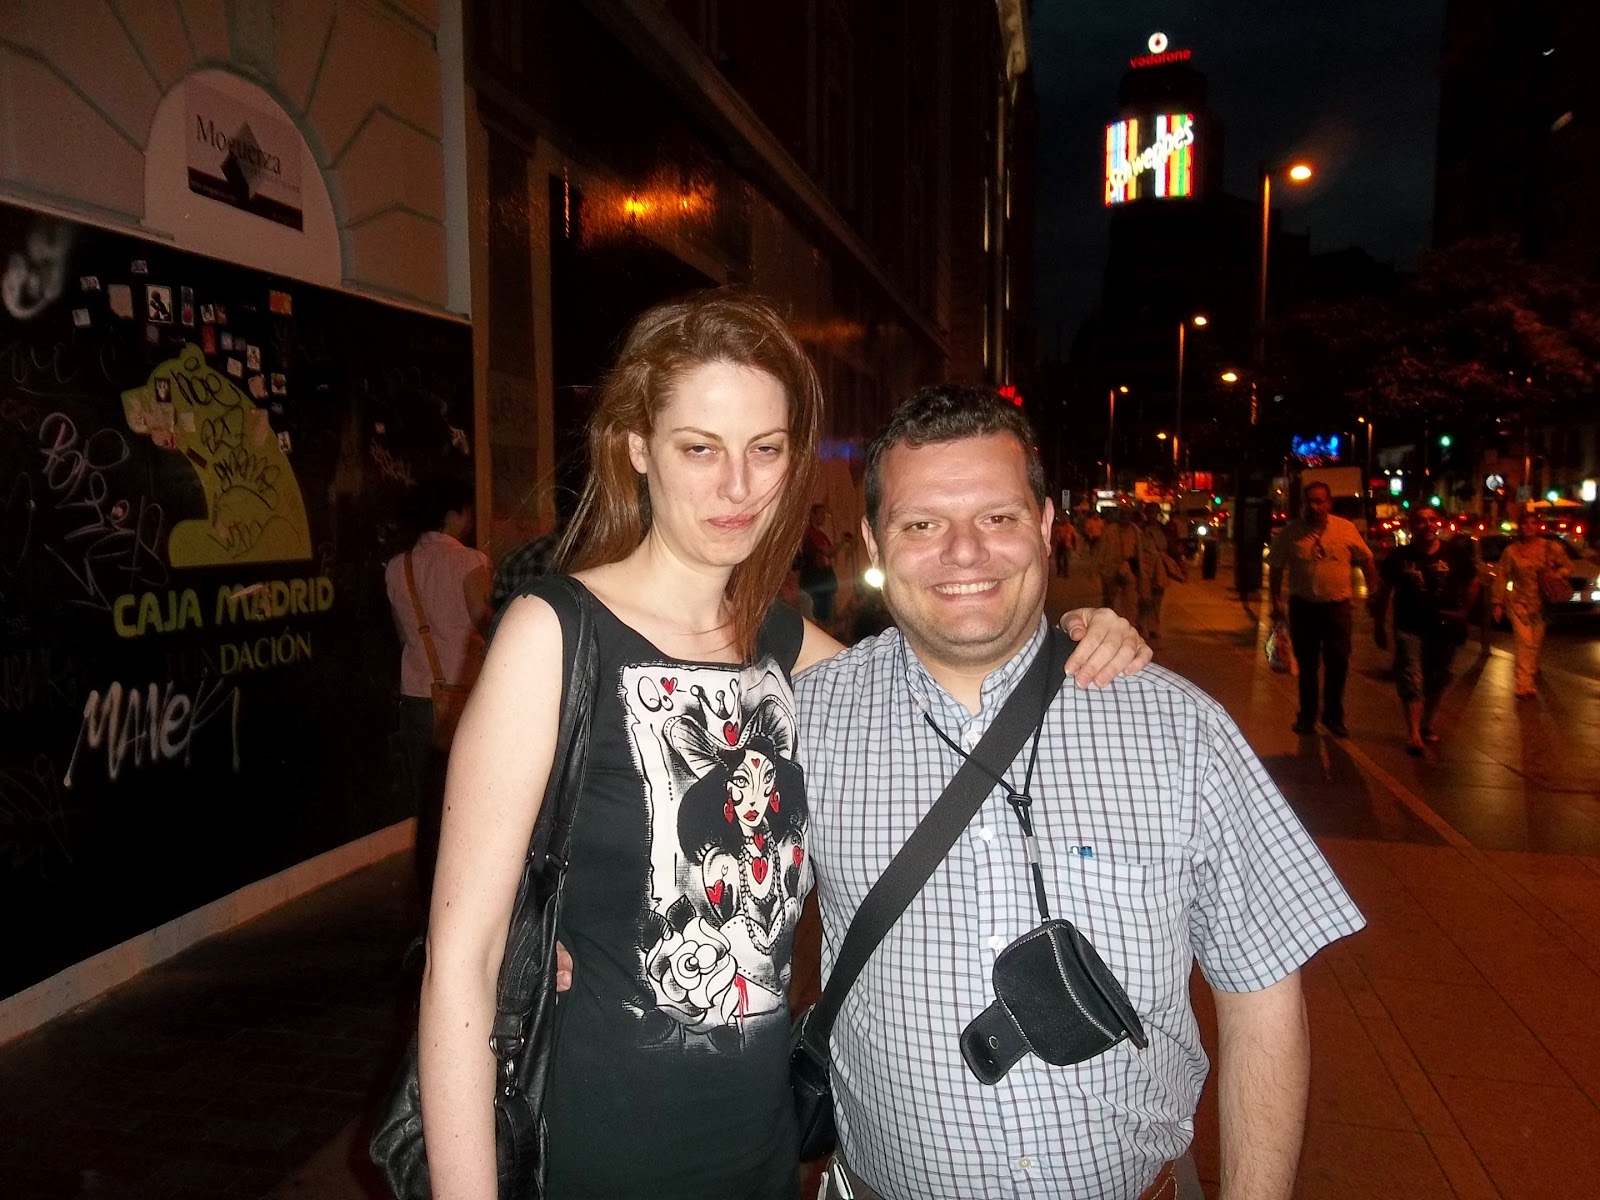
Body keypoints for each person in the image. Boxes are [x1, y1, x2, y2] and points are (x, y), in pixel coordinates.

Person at [417, 293, 1148, 1200]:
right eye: (700, 449)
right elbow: (462, 964)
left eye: (765, 450)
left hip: (763, 1146)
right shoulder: (557, 632)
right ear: (638, 447)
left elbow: (947, 673)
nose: (738, 487)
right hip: (599, 1143)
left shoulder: (781, 642)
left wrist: (1072, 631)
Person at [799, 385, 1365, 1200]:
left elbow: (1263, 998)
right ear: (872, 540)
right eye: (921, 525)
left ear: (1045, 525)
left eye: (996, 517)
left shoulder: (1179, 729)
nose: (964, 552)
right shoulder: (804, 724)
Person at [383, 476, 491, 905]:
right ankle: (465, 893)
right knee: (468, 798)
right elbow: (488, 625)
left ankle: (430, 891)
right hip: (461, 698)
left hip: (416, 694)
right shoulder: (470, 562)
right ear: (454, 513)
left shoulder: (398, 567)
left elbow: (402, 635)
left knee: (426, 802)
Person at [1268, 481, 1375, 737]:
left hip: (1337, 608)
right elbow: (1276, 566)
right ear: (1303, 504)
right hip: (1303, 607)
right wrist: (1276, 600)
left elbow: (1366, 558)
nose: (1314, 506)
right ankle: (1307, 715)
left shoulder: (1345, 528)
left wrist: (1374, 592)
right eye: (1310, 501)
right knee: (1307, 665)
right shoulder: (1291, 532)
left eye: (1319, 501)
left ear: (1329, 503)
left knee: (1338, 662)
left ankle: (1333, 716)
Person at [1369, 510, 1480, 754]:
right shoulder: (1399, 556)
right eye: (1421, 520)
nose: (1428, 525)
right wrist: (1378, 623)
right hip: (1409, 626)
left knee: (1439, 678)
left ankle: (1427, 724)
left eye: (1432, 520)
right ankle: (1414, 734)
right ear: (1412, 526)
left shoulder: (1455, 554)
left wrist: (1464, 611)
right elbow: (1385, 590)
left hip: (1445, 627)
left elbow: (1473, 580)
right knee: (1412, 678)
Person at [1493, 509, 1570, 698]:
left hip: (1542, 604)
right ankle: (1523, 684)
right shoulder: (1512, 551)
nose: (1529, 527)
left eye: (1533, 523)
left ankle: (1529, 677)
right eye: (1525, 523)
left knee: (1535, 644)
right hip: (1519, 603)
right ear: (1520, 526)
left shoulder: (1549, 547)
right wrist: (1498, 603)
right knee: (1524, 642)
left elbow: (1568, 566)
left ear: (1538, 526)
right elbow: (1501, 576)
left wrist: (1556, 574)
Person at [1138, 502, 1184, 640]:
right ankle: (1142, 625)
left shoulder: (1164, 529)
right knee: (1145, 597)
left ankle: (1153, 627)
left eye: (1154, 512)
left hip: (1160, 566)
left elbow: (1172, 546)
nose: (1152, 515)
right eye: (1150, 512)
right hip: (1145, 565)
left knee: (1157, 597)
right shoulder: (1140, 528)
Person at [798, 502, 847, 622]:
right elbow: (828, 552)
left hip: (824, 579)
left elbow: (831, 553)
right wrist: (842, 542)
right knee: (820, 616)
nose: (823, 517)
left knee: (827, 614)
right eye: (821, 514)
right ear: (812, 515)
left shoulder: (821, 535)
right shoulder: (811, 533)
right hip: (816, 580)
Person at [1094, 508, 1141, 625]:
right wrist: (1101, 568)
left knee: (1130, 601)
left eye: (1128, 515)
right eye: (1123, 514)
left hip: (1129, 569)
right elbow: (1102, 550)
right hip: (1111, 570)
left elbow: (1139, 552)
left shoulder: (1136, 531)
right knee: (1110, 600)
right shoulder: (1110, 531)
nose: (1125, 517)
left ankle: (1129, 624)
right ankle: (1109, 623)